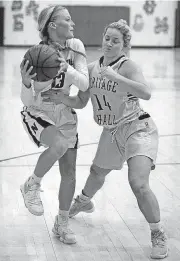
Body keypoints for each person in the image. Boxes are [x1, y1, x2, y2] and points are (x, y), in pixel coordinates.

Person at [41, 19, 168, 258]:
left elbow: (147, 92)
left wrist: (116, 77)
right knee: (97, 172)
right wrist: (61, 98)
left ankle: (158, 233)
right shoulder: (91, 68)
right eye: (107, 38)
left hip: (137, 128)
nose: (109, 43)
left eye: (115, 41)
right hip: (111, 131)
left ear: (124, 45)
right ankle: (83, 201)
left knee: (138, 183)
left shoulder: (128, 66)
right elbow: (80, 101)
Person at [20, 4, 89, 244]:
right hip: (39, 112)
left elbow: (84, 84)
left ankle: (62, 224)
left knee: (69, 173)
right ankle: (31, 184)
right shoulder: (36, 54)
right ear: (52, 25)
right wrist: (26, 83)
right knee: (58, 145)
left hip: (65, 112)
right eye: (67, 20)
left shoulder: (75, 46)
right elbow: (27, 99)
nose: (72, 24)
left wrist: (66, 68)